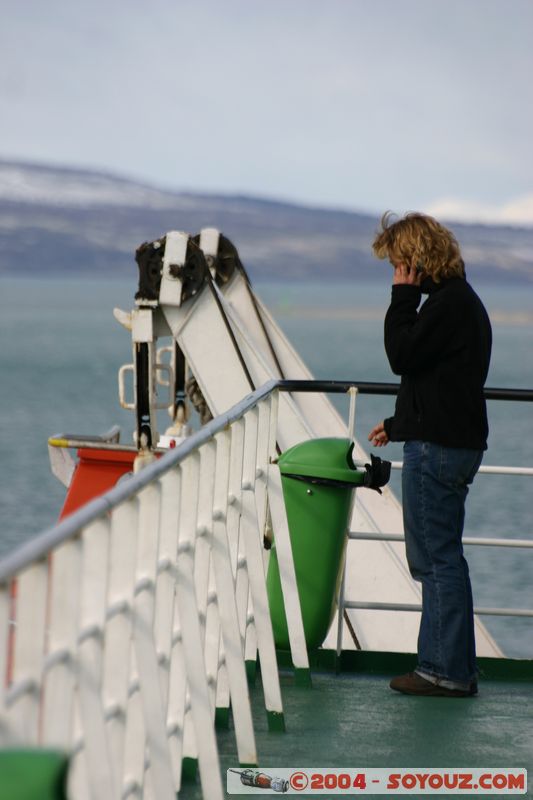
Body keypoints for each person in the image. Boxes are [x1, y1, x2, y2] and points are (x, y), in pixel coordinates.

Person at [368, 211, 492, 698]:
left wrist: (401, 298)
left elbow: (401, 354)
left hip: (438, 453)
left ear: (417, 261)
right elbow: (440, 383)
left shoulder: (445, 306)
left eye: (400, 264)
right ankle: (457, 668)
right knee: (447, 558)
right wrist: (399, 426)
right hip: (454, 445)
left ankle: (441, 671)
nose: (397, 273)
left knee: (434, 562)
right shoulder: (462, 302)